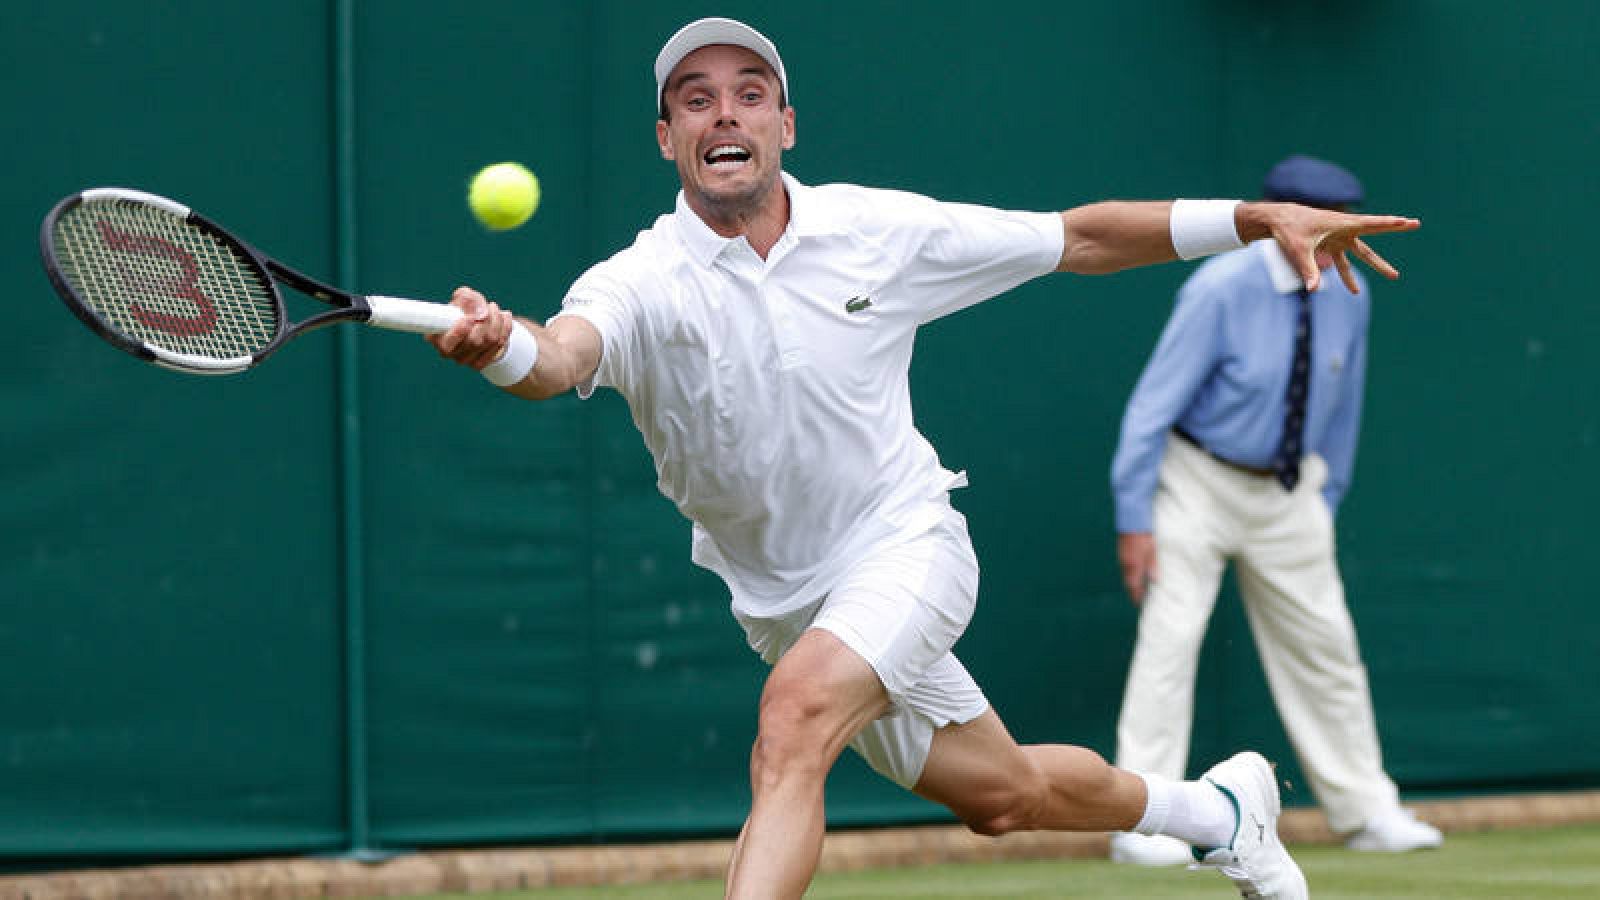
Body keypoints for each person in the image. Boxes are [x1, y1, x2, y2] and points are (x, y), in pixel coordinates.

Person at [430, 18, 1417, 900]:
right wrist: (499, 346)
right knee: (1003, 793)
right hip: (782, 601)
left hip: (905, 544)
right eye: (694, 99)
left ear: (785, 125)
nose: (721, 112)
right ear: (667, 138)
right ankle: (1219, 815)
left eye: (747, 92)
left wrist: (1249, 218)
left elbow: (1077, 238)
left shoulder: (875, 233)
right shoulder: (640, 281)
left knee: (794, 726)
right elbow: (559, 357)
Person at [1105, 155, 1443, 867]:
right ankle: (1146, 822)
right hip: (1197, 482)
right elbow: (1151, 407)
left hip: (1292, 491)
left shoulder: (1350, 287)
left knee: (1328, 648)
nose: (1341, 234)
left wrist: (1325, 493)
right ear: (1284, 219)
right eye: (1330, 222)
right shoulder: (1219, 288)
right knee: (1171, 639)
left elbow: (1343, 405)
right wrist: (1135, 515)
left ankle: (1367, 811)